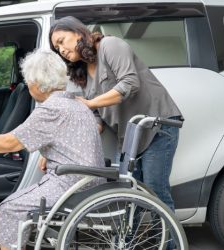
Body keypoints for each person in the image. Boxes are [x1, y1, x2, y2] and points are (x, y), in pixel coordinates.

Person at [0, 49, 105, 250]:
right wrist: (45, 154)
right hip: (87, 178)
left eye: (29, 82)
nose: (29, 86)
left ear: (38, 84)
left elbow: (9, 143)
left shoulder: (51, 109)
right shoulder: (74, 102)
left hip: (72, 182)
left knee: (8, 210)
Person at [49, 16, 183, 212]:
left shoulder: (109, 45)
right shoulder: (82, 73)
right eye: (56, 49)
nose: (61, 50)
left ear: (78, 32)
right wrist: (87, 130)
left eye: (61, 41)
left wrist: (90, 103)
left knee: (156, 193)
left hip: (156, 125)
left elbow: (130, 83)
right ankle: (129, 242)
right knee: (128, 195)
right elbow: (96, 114)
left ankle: (171, 242)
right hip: (129, 137)